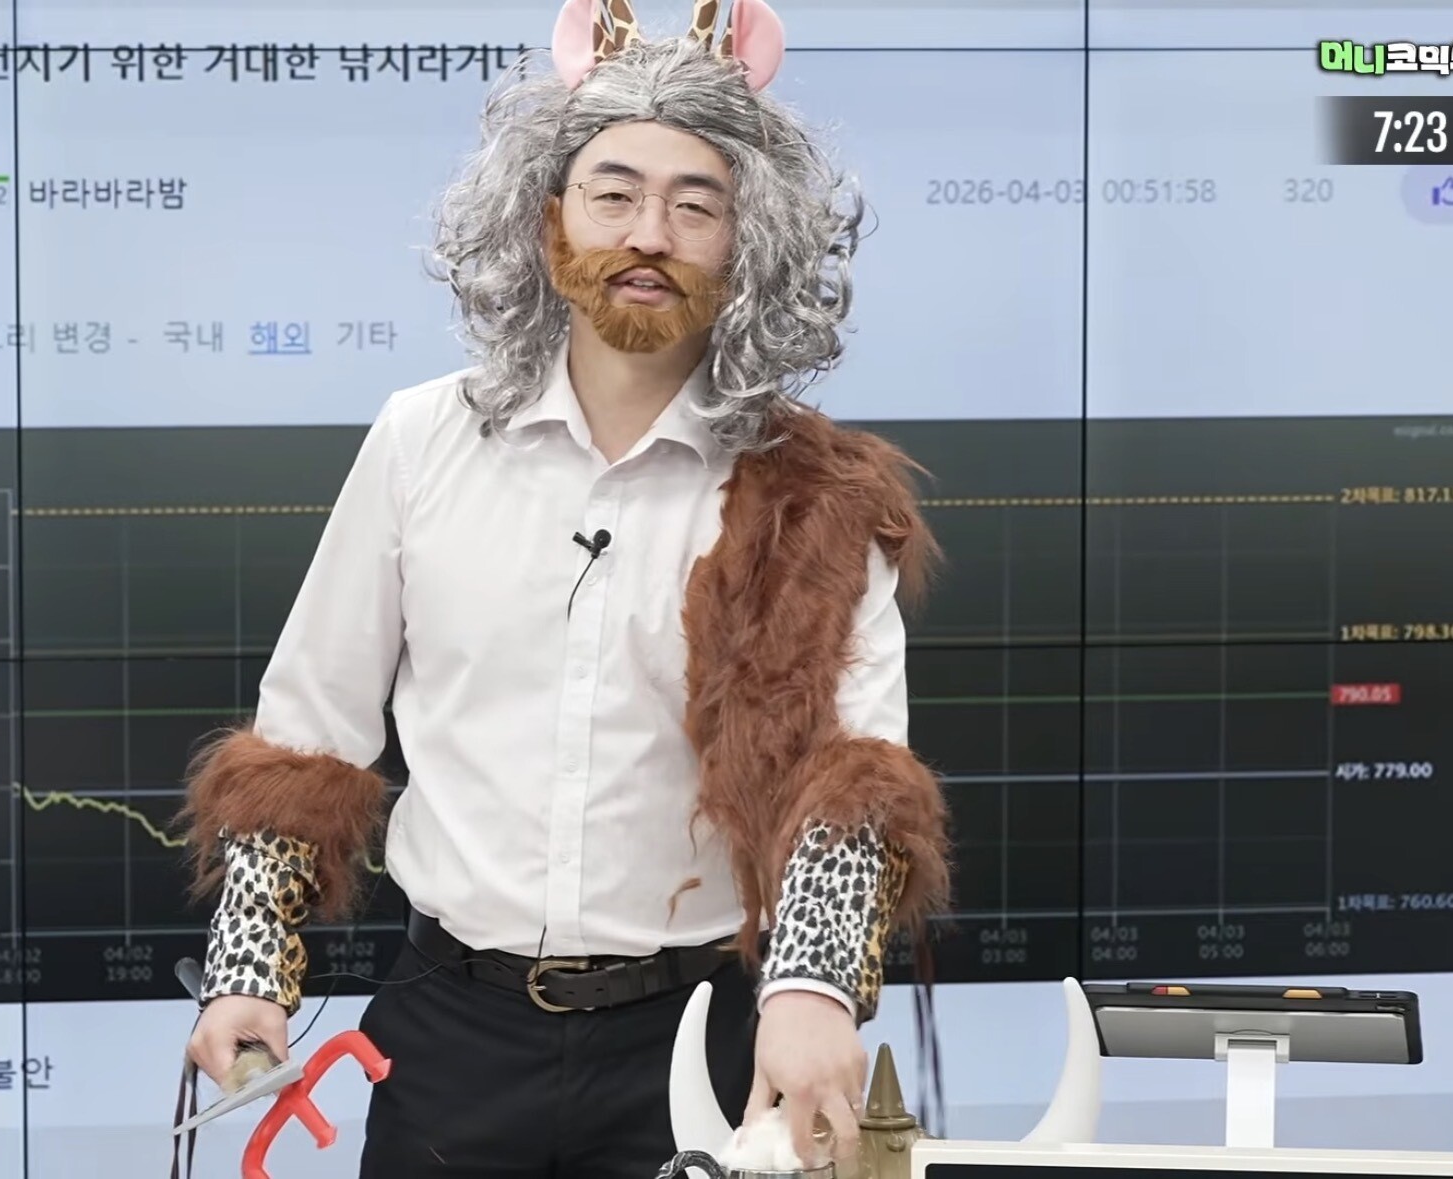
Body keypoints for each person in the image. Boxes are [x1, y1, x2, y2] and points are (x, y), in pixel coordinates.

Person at [176, 0, 952, 1175]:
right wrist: (248, 973)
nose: (649, 234)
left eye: (695, 205)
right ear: (547, 217)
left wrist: (811, 993)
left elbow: (851, 779)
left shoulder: (815, 491)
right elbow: (307, 733)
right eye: (612, 193)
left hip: (699, 1036)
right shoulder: (420, 440)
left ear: (747, 241)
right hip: (449, 1037)